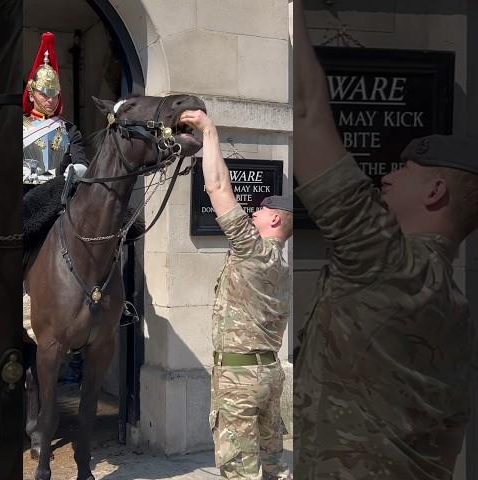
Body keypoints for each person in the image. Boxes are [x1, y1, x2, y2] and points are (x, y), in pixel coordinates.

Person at [293, 0, 477, 478]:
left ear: (435, 191)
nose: (388, 178)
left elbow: (306, 110)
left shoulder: (390, 265)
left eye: (403, 169)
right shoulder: (453, 306)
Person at [181, 110, 293, 480]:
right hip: (268, 373)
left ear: (275, 219)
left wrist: (209, 132)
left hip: (239, 380)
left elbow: (217, 188)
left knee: (239, 472)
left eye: (260, 210)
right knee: (273, 466)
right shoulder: (281, 264)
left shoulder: (255, 251)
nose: (253, 212)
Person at [22, 31, 88, 185]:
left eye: (54, 94)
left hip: (57, 197)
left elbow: (82, 160)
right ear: (31, 95)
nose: (50, 100)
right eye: (44, 94)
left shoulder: (69, 129)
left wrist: (78, 168)